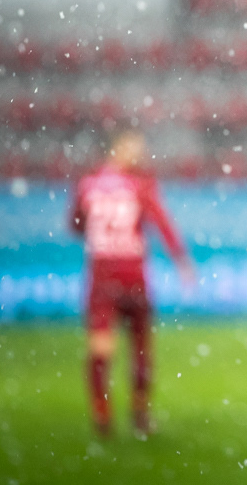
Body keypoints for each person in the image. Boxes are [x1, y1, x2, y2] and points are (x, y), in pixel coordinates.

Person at [69, 128, 194, 437]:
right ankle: (138, 415)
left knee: (102, 349)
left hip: (103, 277)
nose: (139, 154)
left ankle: (103, 414)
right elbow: (162, 223)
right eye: (134, 148)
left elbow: (74, 226)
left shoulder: (88, 184)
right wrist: (182, 261)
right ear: (118, 148)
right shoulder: (140, 185)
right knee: (139, 349)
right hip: (132, 276)